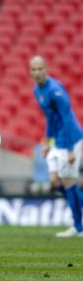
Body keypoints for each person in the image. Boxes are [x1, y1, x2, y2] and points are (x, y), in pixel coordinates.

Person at [30, 56, 83, 237]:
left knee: (69, 181)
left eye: (40, 69)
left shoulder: (55, 90)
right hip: (57, 140)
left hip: (71, 138)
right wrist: (46, 141)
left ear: (46, 69)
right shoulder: (37, 90)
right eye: (34, 69)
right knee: (54, 180)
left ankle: (78, 227)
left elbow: (67, 118)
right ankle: (78, 215)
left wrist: (69, 149)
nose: (37, 72)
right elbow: (51, 118)